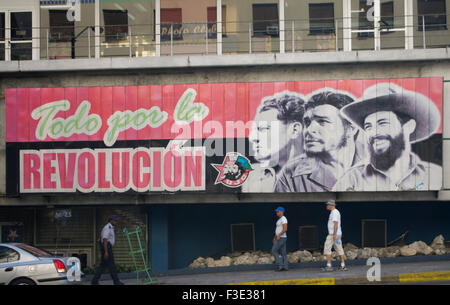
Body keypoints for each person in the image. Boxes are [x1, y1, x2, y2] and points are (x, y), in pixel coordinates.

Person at [335, 83, 442, 191]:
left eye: (382, 123)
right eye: (368, 127)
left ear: (409, 127)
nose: (374, 133)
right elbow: (331, 206)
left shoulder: (435, 177)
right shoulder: (351, 180)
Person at [275, 89, 362, 192]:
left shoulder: (377, 166)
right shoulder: (290, 175)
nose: (309, 130)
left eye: (322, 121)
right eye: (307, 122)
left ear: (351, 129)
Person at [242, 91, 305, 192]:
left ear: (294, 130)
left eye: (263, 128)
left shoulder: (322, 174)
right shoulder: (251, 175)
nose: (252, 137)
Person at [91, 215, 124, 285]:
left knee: (103, 265)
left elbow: (103, 236)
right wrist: (106, 252)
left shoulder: (110, 228)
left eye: (116, 220)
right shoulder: (107, 228)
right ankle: (116, 281)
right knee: (111, 265)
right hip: (107, 247)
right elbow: (105, 239)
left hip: (106, 247)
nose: (116, 221)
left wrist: (100, 238)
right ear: (111, 220)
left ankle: (94, 281)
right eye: (115, 220)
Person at [322, 200, 347, 272]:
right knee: (339, 248)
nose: (327, 206)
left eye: (327, 205)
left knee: (327, 248)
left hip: (333, 234)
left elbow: (335, 224)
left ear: (331, 205)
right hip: (337, 234)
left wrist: (334, 234)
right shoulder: (335, 212)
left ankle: (329, 266)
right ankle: (343, 265)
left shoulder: (334, 212)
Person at [272, 206, 289, 271]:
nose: (277, 212)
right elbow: (278, 229)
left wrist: (278, 235)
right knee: (283, 252)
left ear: (281, 212)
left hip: (281, 238)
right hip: (280, 237)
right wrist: (275, 237)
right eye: (276, 211)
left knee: (274, 251)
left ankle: (281, 265)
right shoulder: (280, 219)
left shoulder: (283, 219)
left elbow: (285, 229)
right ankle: (285, 267)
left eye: (278, 211)